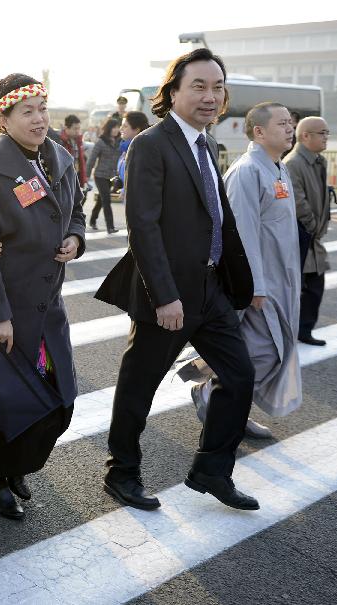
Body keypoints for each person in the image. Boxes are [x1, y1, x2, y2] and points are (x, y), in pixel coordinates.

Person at [96, 48, 258, 512]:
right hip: (166, 293)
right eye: (199, 87)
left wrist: (235, 283)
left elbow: (218, 217)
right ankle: (121, 472)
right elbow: (142, 226)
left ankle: (212, 470)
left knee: (240, 377)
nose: (210, 97)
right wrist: (164, 296)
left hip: (209, 290)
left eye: (218, 87)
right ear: (173, 92)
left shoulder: (208, 144)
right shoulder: (152, 143)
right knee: (138, 386)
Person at [0, 73, 86, 521]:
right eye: (27, 112)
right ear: (4, 117)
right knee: (3, 397)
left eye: (42, 110)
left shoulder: (59, 158)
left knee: (52, 395)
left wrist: (75, 237)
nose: (38, 120)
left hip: (46, 303)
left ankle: (17, 467)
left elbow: (77, 211)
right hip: (8, 308)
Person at [192, 102, 302, 441]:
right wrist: (252, 285)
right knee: (264, 351)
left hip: (281, 279)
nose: (290, 129)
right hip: (257, 286)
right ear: (258, 131)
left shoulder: (276, 167)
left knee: (270, 349)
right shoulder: (247, 171)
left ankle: (233, 411)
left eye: (290, 123)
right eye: (282, 123)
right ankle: (212, 392)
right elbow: (240, 234)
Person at [284, 117, 331, 347]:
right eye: (322, 133)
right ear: (305, 136)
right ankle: (298, 330)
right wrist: (314, 226)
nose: (326, 137)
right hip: (303, 237)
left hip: (313, 237)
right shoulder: (294, 163)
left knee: (314, 288)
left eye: (327, 133)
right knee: (303, 289)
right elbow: (298, 202)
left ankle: (304, 329)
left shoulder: (318, 160)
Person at [85, 117, 121, 233]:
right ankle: (110, 227)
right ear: (109, 128)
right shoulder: (101, 141)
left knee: (102, 200)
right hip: (100, 175)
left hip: (112, 176)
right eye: (114, 127)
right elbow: (91, 159)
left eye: (117, 127)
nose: (116, 130)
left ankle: (92, 220)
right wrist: (86, 176)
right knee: (106, 200)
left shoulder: (120, 141)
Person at [117, 111, 149, 197]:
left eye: (125, 126)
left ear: (136, 129)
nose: (121, 129)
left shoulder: (141, 150)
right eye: (121, 125)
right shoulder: (126, 147)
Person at [59, 114, 88, 191]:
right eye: (75, 128)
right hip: (65, 179)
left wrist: (84, 180)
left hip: (76, 176)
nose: (78, 131)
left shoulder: (78, 141)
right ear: (66, 128)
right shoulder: (59, 141)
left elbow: (81, 162)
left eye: (79, 128)